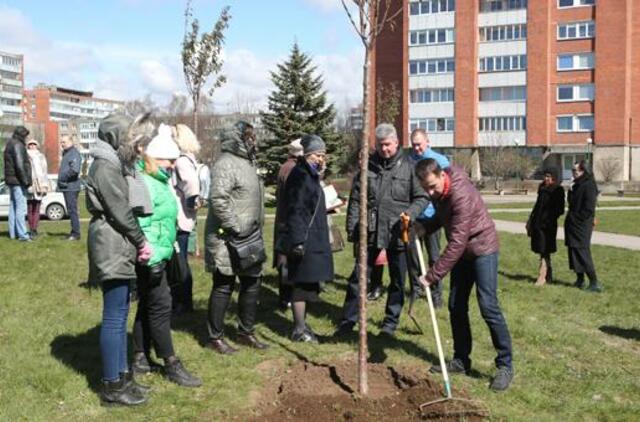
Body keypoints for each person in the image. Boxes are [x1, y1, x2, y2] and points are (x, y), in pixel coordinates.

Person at [415, 158, 514, 392]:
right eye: (425, 188)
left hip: (482, 249)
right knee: (456, 306)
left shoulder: (461, 195)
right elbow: (442, 218)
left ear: (441, 176)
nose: (430, 192)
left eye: (432, 186)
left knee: (488, 306)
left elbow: (457, 243)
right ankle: (461, 360)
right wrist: (421, 227)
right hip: (463, 253)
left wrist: (432, 276)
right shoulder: (441, 193)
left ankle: (505, 366)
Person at [85, 113, 153, 406]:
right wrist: (141, 240)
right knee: (114, 318)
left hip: (118, 242)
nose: (134, 146)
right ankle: (112, 387)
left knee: (121, 311)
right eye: (129, 139)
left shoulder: (113, 163)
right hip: (111, 242)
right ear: (115, 138)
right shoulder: (105, 166)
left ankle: (124, 378)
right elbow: (119, 211)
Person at [335, 123, 428, 337]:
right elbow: (356, 200)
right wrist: (353, 229)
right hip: (370, 231)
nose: (384, 149)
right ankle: (348, 320)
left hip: (398, 231)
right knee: (359, 277)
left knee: (397, 280)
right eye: (379, 145)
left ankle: (390, 323)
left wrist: (410, 215)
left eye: (387, 144)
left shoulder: (410, 167)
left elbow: (422, 197)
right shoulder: (367, 168)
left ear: (396, 142)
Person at [130, 124, 201, 387]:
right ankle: (171, 363)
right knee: (161, 306)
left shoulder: (157, 180)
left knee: (148, 304)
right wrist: (152, 256)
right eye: (168, 160)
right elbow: (141, 224)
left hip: (160, 251)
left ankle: (139, 356)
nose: (173, 164)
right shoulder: (144, 182)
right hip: (151, 255)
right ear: (152, 157)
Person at [204, 121, 269, 354]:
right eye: (249, 137)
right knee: (224, 285)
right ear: (238, 138)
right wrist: (236, 227)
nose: (253, 141)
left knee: (252, 283)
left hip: (250, 238)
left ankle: (245, 332)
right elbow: (218, 200)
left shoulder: (248, 163)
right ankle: (215, 337)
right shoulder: (226, 164)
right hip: (228, 238)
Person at [280, 135, 334, 342]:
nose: (321, 159)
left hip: (312, 237)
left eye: (323, 155)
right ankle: (299, 329)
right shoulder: (300, 175)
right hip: (304, 238)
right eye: (317, 155)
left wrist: (319, 175)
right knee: (301, 284)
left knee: (309, 283)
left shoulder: (309, 173)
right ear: (308, 154)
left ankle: (303, 325)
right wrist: (297, 241)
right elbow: (297, 210)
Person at [408, 128, 450, 308]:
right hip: (416, 217)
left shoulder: (439, 161)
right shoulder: (409, 162)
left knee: (434, 257)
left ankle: (436, 294)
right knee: (414, 256)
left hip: (434, 217)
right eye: (414, 145)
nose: (417, 148)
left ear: (427, 142)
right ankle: (416, 290)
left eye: (419, 144)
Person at [172, 124, 201, 314]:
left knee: (179, 261)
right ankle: (184, 301)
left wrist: (191, 202)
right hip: (185, 216)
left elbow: (191, 184)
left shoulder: (181, 161)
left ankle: (182, 302)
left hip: (180, 217)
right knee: (181, 259)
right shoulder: (189, 159)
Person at [273, 138, 303, 311]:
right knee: (287, 261)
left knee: (285, 260)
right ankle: (287, 298)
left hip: (283, 219)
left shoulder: (285, 166)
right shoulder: (293, 169)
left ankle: (286, 297)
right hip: (288, 221)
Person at [565, 161, 601, 292]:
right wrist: (570, 191)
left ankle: (594, 282)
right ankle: (580, 279)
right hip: (572, 224)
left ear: (583, 171)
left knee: (582, 252)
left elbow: (589, 208)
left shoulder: (589, 185)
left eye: (576, 171)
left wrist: (576, 219)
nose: (573, 173)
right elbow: (571, 203)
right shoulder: (576, 184)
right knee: (573, 251)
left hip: (581, 225)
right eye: (572, 170)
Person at [526, 168, 565, 286]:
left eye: (549, 176)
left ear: (554, 177)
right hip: (538, 223)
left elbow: (560, 209)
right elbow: (537, 205)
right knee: (542, 250)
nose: (546, 178)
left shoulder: (558, 190)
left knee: (544, 249)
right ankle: (548, 274)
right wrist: (531, 219)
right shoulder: (542, 188)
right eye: (545, 176)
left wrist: (548, 218)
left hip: (548, 225)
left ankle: (542, 275)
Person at [3, 126, 32, 241]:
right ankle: (23, 235)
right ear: (22, 135)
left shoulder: (10, 144)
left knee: (13, 207)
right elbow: (20, 165)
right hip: (18, 180)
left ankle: (13, 233)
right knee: (20, 207)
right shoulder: (18, 145)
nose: (26, 138)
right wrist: (25, 181)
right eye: (25, 135)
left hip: (11, 180)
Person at [57, 135, 82, 241]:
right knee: (71, 210)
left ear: (71, 141)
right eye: (61, 142)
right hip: (67, 187)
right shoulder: (67, 153)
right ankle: (73, 232)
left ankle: (76, 234)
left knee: (72, 211)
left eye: (64, 142)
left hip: (71, 187)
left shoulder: (74, 153)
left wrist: (62, 177)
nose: (62, 144)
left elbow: (74, 170)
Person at [26, 139, 49, 238]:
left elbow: (44, 171)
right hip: (29, 184)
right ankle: (30, 228)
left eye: (34, 144)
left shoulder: (41, 156)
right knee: (30, 208)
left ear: (37, 145)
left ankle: (35, 228)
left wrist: (44, 184)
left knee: (37, 208)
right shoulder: (25, 156)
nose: (32, 146)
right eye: (30, 144)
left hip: (39, 184)